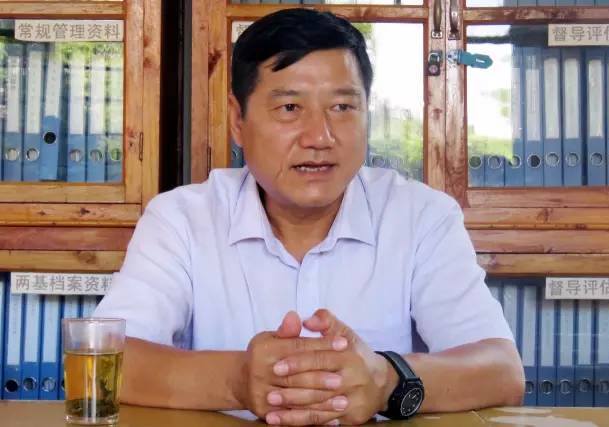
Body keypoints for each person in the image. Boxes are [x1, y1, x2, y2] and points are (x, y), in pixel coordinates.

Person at [94, 8, 524, 426]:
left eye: (342, 107)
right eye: (289, 108)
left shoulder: (422, 216)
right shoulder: (181, 220)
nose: (320, 137)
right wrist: (237, 380)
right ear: (238, 120)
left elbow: (502, 371)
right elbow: (104, 360)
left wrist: (385, 380)